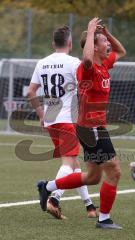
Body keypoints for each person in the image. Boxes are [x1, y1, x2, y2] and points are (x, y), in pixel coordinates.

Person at [38, 17, 126, 229]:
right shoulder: (86, 68)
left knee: (93, 177)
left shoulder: (104, 63)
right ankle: (104, 218)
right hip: (90, 128)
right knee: (114, 171)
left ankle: (47, 186)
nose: (108, 45)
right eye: (103, 41)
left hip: (95, 128)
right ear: (93, 47)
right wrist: (89, 30)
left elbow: (121, 51)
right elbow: (86, 59)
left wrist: (106, 33)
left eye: (106, 41)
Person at [28, 25, 97, 219]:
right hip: (67, 118)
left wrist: (41, 114)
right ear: (70, 43)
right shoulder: (73, 62)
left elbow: (31, 92)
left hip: (51, 120)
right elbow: (85, 82)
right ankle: (53, 197)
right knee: (68, 163)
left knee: (74, 164)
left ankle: (89, 206)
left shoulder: (42, 62)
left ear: (53, 43)